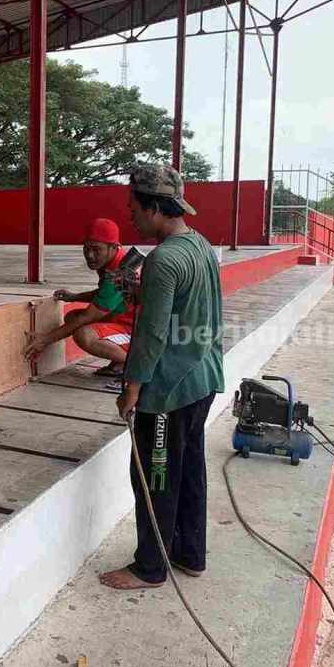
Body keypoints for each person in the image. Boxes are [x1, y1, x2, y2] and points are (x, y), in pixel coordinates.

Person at [99, 164, 224, 591]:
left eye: (134, 208)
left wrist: (131, 387)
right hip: (202, 377)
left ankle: (150, 568)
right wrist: (145, 291)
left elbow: (151, 335)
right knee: (189, 470)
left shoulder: (163, 261)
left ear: (155, 207)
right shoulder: (201, 246)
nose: (131, 217)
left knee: (154, 477)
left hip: (167, 390)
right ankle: (190, 555)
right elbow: (190, 309)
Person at [23, 218, 138, 376]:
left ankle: (138, 367)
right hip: (129, 321)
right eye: (86, 248)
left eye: (96, 249)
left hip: (141, 334)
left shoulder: (119, 273)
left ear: (113, 247)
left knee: (84, 335)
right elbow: (105, 296)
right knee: (72, 317)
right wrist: (75, 297)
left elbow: (88, 316)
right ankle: (121, 361)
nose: (90, 255)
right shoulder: (114, 261)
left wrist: (45, 340)